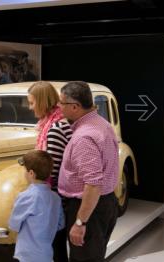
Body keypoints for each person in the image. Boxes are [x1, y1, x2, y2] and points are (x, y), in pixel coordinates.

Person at [58, 81, 119, 261]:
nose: (59, 107)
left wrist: (80, 222)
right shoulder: (102, 123)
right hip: (104, 203)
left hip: (88, 208)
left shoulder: (84, 137)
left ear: (75, 107)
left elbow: (93, 184)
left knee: (84, 258)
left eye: (62, 103)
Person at [28, 81, 72, 261]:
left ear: (42, 101)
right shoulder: (52, 122)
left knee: (55, 244)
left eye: (32, 103)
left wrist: (44, 197)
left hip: (55, 194)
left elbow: (52, 167)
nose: (30, 108)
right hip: (58, 193)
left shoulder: (54, 127)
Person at [9, 150, 65, 262]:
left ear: (31, 174)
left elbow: (13, 224)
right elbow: (61, 224)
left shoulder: (25, 196)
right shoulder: (56, 198)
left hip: (26, 255)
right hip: (46, 255)